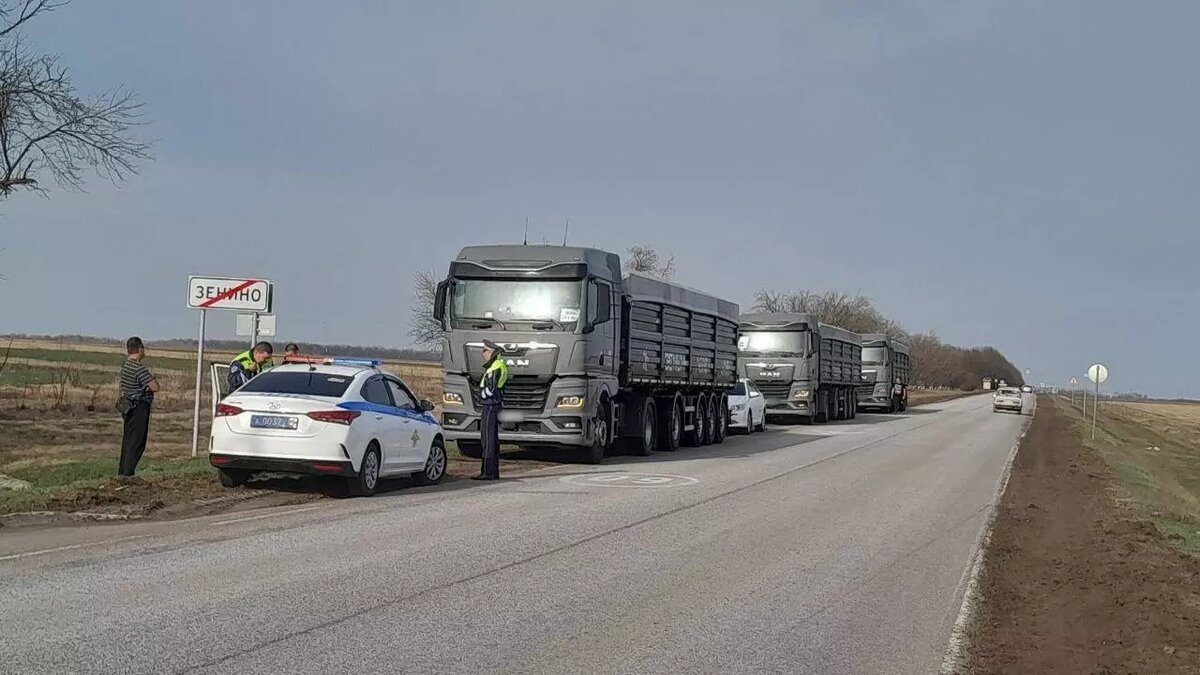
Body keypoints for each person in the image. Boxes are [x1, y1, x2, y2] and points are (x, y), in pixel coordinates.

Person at [118, 336, 159, 477]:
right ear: (140, 349)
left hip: (127, 407)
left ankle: (122, 472)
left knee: (128, 441)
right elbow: (155, 387)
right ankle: (128, 473)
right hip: (139, 408)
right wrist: (147, 387)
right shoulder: (138, 368)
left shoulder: (126, 366)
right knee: (137, 442)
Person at [473, 340, 508, 481]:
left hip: (490, 404)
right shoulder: (498, 365)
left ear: (492, 352)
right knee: (492, 438)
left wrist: (480, 395)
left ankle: (487, 472)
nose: (483, 353)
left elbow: (491, 389)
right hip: (493, 404)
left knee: (487, 439)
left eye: (485, 350)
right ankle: (493, 472)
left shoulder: (495, 367)